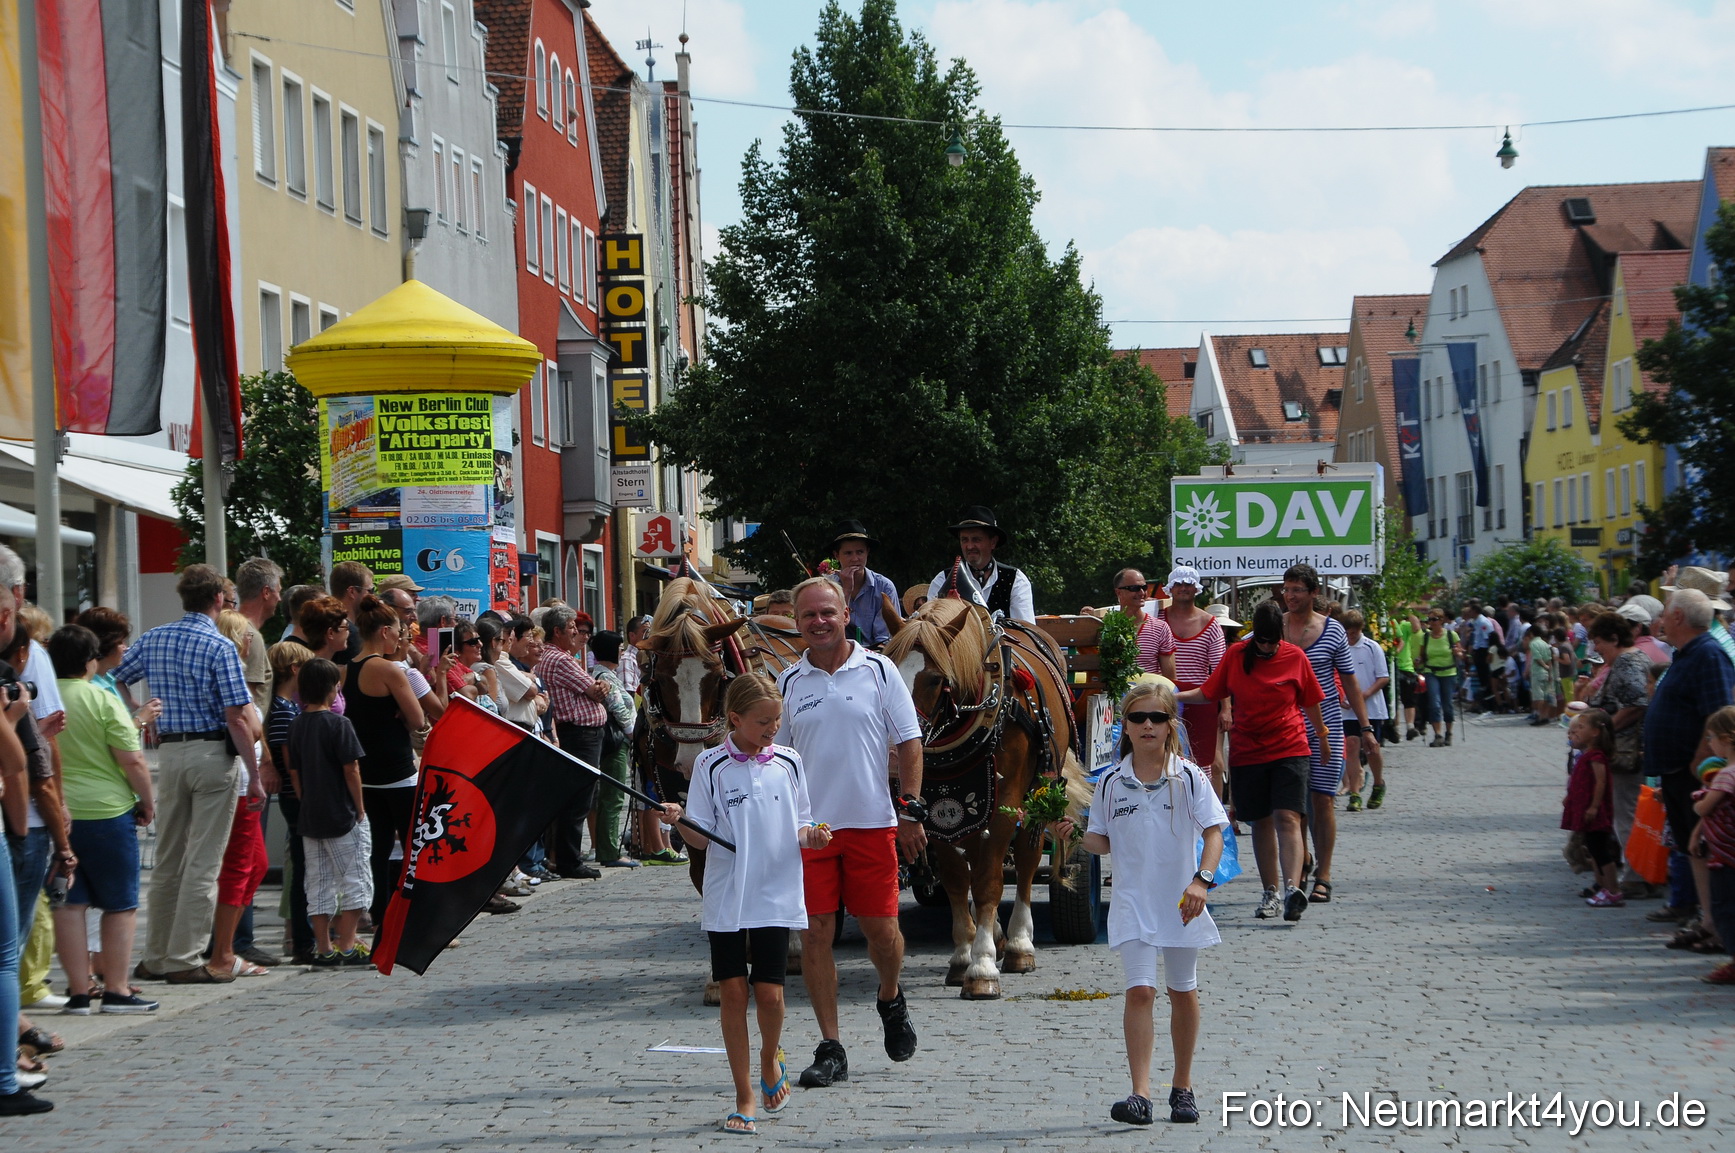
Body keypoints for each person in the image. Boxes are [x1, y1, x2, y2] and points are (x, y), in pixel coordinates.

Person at [666, 673, 831, 1135]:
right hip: (727, 896)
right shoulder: (711, 766)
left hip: (775, 891)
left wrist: (812, 836)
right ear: (734, 718)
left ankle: (768, 1056)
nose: (772, 729)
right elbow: (700, 837)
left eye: (777, 720)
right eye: (763, 721)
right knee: (734, 994)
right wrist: (680, 821)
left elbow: (800, 824)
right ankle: (744, 1095)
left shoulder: (790, 762)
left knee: (771, 995)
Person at [776, 577, 924, 1086]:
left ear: (845, 615)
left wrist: (910, 809)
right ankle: (831, 1046)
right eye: (808, 615)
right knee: (816, 935)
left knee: (883, 934)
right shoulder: (789, 682)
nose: (818, 622)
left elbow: (909, 741)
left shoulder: (879, 670)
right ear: (797, 622)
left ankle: (890, 996)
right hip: (812, 830)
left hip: (871, 824)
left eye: (827, 613)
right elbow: (776, 758)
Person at [1080, 681, 1225, 1127]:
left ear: (1169, 726)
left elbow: (1215, 831)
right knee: (1140, 991)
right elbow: (1101, 841)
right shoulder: (1109, 783)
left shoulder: (1189, 777)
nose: (1147, 725)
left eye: (1157, 718)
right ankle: (1140, 1093)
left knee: (1183, 991)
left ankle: (1182, 1088)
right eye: (1138, 717)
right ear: (1123, 726)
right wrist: (1067, 831)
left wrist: (1201, 881)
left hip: (1181, 902)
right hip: (1131, 901)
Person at [116, 565, 258, 984]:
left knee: (168, 858)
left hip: (171, 752)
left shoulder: (155, 637)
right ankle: (184, 956)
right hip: (213, 752)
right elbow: (236, 717)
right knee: (203, 861)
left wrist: (139, 715)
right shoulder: (219, 646)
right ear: (218, 599)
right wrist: (252, 770)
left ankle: (156, 954)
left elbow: (117, 677)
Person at [1178, 601, 1326, 924]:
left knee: (1288, 816)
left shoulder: (1295, 657)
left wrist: (1324, 738)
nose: (1267, 648)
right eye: (1262, 642)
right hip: (1248, 752)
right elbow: (1209, 691)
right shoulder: (1236, 656)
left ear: (1281, 636)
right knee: (1260, 822)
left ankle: (1291, 890)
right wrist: (1173, 696)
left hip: (1290, 747)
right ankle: (1270, 891)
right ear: (1253, 635)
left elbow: (1312, 702)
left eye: (1273, 642)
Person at [48, 623, 159, 1013]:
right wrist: (147, 802)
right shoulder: (101, 698)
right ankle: (116, 988)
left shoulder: (43, 699)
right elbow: (132, 759)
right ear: (89, 661)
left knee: (68, 903)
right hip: (107, 811)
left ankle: (79, 991)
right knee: (120, 904)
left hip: (57, 813)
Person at [1645, 589, 1735, 954]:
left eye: (1665, 612)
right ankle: (1709, 921)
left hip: (1693, 770)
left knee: (1704, 846)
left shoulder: (1709, 655)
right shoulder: (1687, 654)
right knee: (1692, 847)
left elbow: (1719, 715)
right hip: (1677, 768)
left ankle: (1717, 926)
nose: (1660, 620)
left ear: (1679, 617)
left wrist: (1700, 761)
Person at [1278, 566, 1370, 905]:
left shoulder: (1331, 631)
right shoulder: (1277, 626)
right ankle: (1300, 864)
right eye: (1287, 589)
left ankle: (1325, 874)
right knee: (1293, 805)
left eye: (1298, 589)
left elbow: (1350, 681)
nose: (1291, 595)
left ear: (1313, 592)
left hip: (1326, 727)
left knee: (1322, 800)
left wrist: (1366, 727)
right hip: (1285, 726)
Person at [344, 596, 429, 923]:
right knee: (414, 846)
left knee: (377, 847)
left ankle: (380, 912)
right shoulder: (388, 668)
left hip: (366, 770)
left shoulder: (347, 669)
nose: (400, 638)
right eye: (398, 631)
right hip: (397, 771)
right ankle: (415, 915)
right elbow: (418, 717)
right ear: (383, 632)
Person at [286, 659, 373, 965]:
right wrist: (360, 807)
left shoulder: (295, 725)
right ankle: (347, 943)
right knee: (357, 879)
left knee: (319, 882)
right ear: (333, 688)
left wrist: (305, 800)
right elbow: (352, 769)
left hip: (310, 815)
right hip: (342, 813)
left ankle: (323, 947)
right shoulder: (340, 724)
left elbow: (294, 772)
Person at [209, 612, 270, 977]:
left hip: (246, 779)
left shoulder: (235, 678)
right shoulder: (232, 678)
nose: (252, 643)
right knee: (238, 865)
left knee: (255, 864)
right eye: (247, 637)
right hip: (241, 782)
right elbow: (247, 724)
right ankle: (223, 951)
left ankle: (224, 943)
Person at [1578, 613, 1653, 898]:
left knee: (1627, 814)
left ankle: (1636, 877)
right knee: (1624, 813)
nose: (1596, 649)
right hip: (1624, 748)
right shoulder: (1628, 660)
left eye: (1598, 642)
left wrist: (1603, 732)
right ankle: (1632, 873)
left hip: (1626, 750)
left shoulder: (1628, 661)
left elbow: (1636, 704)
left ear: (1614, 638)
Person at [537, 607, 609, 879]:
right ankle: (569, 860)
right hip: (579, 735)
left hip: (572, 733)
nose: (576, 633)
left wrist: (601, 687)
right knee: (578, 801)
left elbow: (597, 687)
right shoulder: (560, 659)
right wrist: (601, 688)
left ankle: (558, 857)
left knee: (568, 799)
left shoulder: (554, 656)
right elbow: (595, 691)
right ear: (556, 631)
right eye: (570, 627)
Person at [264, 640, 317, 963]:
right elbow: (291, 762)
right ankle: (302, 940)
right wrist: (304, 797)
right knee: (302, 870)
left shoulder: (286, 707)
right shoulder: (283, 710)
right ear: (295, 670)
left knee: (304, 868)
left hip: (294, 796)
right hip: (294, 797)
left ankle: (304, 936)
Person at [1159, 567, 1226, 793]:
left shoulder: (1210, 623)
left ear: (1196, 588)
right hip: (1165, 697)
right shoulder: (1158, 617)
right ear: (1170, 588)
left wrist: (1225, 709)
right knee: (1165, 755)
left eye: (1188, 584)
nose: (1184, 588)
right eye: (1179, 584)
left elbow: (1220, 671)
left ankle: (1204, 811)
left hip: (1201, 697)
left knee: (1202, 759)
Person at [1688, 706, 1735, 984]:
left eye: (1711, 737)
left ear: (1727, 739)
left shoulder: (1727, 774)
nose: (1709, 743)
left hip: (1725, 856)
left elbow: (1706, 808)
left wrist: (1698, 801)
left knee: (1725, 909)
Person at [926, 505, 1035, 622]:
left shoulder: (1015, 580)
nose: (969, 546)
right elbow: (932, 630)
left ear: (993, 542)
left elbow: (1026, 631)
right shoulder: (943, 580)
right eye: (964, 540)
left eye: (976, 539)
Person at [589, 630, 640, 869]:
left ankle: (608, 847)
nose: (621, 652)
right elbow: (619, 708)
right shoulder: (603, 675)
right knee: (613, 796)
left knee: (612, 796)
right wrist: (633, 733)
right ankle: (609, 850)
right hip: (616, 741)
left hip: (617, 740)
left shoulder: (607, 673)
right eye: (619, 648)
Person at [1562, 709, 1621, 906]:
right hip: (1585, 807)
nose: (1576, 731)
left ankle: (1613, 890)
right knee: (1594, 849)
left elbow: (1601, 782)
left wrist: (1595, 806)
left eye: (1581, 727)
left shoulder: (1596, 756)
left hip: (1595, 810)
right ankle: (1603, 886)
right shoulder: (1586, 754)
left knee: (1601, 850)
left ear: (1595, 732)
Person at [1340, 612, 1389, 812]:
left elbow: (1383, 677)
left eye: (1353, 633)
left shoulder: (1372, 647)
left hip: (1371, 707)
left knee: (1371, 748)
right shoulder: (1340, 647)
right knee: (1351, 746)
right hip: (1348, 708)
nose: (1350, 637)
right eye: (1347, 633)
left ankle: (1378, 783)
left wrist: (1364, 694)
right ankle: (1355, 791)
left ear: (1360, 630)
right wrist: (1342, 695)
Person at [827, 521, 899, 647]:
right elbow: (829, 628)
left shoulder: (884, 587)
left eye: (860, 552)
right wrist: (846, 590)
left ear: (867, 552)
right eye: (848, 553)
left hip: (876, 654)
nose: (855, 559)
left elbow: (885, 637)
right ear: (837, 555)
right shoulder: (827, 587)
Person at [1417, 609, 1461, 747]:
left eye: (1434, 619)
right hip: (1431, 672)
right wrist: (1418, 660)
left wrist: (1457, 652)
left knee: (1447, 704)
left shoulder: (1451, 635)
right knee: (1434, 704)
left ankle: (1448, 733)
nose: (1431, 622)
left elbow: (1460, 653)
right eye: (1429, 620)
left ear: (1442, 620)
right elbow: (1422, 656)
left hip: (1448, 672)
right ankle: (1438, 735)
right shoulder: (1425, 637)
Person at [328, 561, 374, 665]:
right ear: (352, 592)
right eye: (370, 590)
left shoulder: (323, 626)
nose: (372, 596)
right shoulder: (349, 634)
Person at [1528, 623, 1559, 726]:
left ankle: (1539, 717)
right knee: (1546, 696)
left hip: (1537, 672)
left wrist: (1544, 666)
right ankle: (1545, 716)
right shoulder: (1545, 644)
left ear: (1531, 633)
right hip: (1546, 673)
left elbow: (1537, 658)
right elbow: (1549, 659)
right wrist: (1550, 672)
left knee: (1538, 697)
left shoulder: (1533, 643)